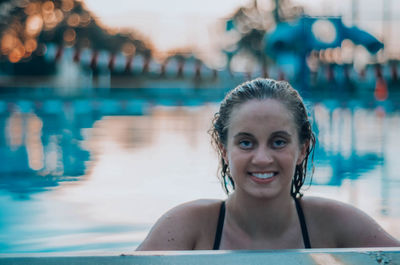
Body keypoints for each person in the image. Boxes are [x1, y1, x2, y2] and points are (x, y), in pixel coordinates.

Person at [136, 78, 400, 250]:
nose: (262, 158)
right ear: (223, 149)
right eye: (246, 143)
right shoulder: (185, 228)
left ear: (302, 148)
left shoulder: (336, 224)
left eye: (278, 142)